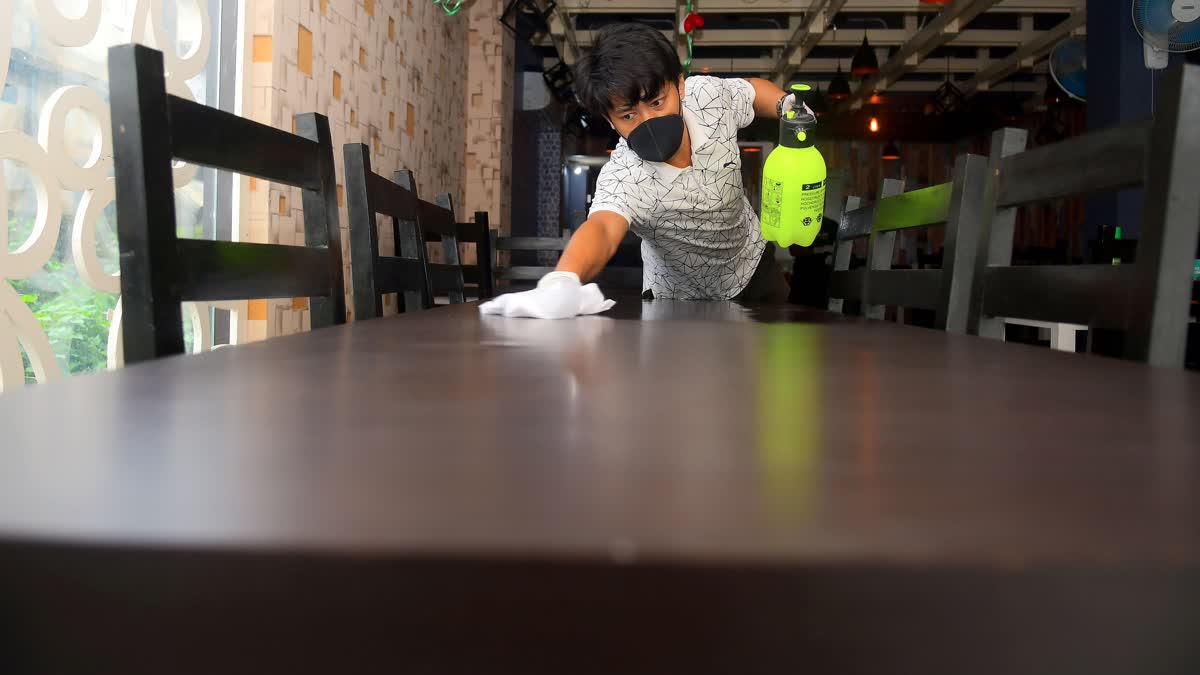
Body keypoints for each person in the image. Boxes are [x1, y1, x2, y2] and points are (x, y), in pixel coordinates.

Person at [480, 22, 809, 319]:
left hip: (754, 267)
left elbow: (751, 93)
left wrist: (788, 107)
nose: (648, 123)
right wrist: (562, 280)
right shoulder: (624, 175)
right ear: (610, 121)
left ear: (679, 87)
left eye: (656, 102)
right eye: (628, 115)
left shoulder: (708, 97)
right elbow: (603, 229)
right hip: (675, 300)